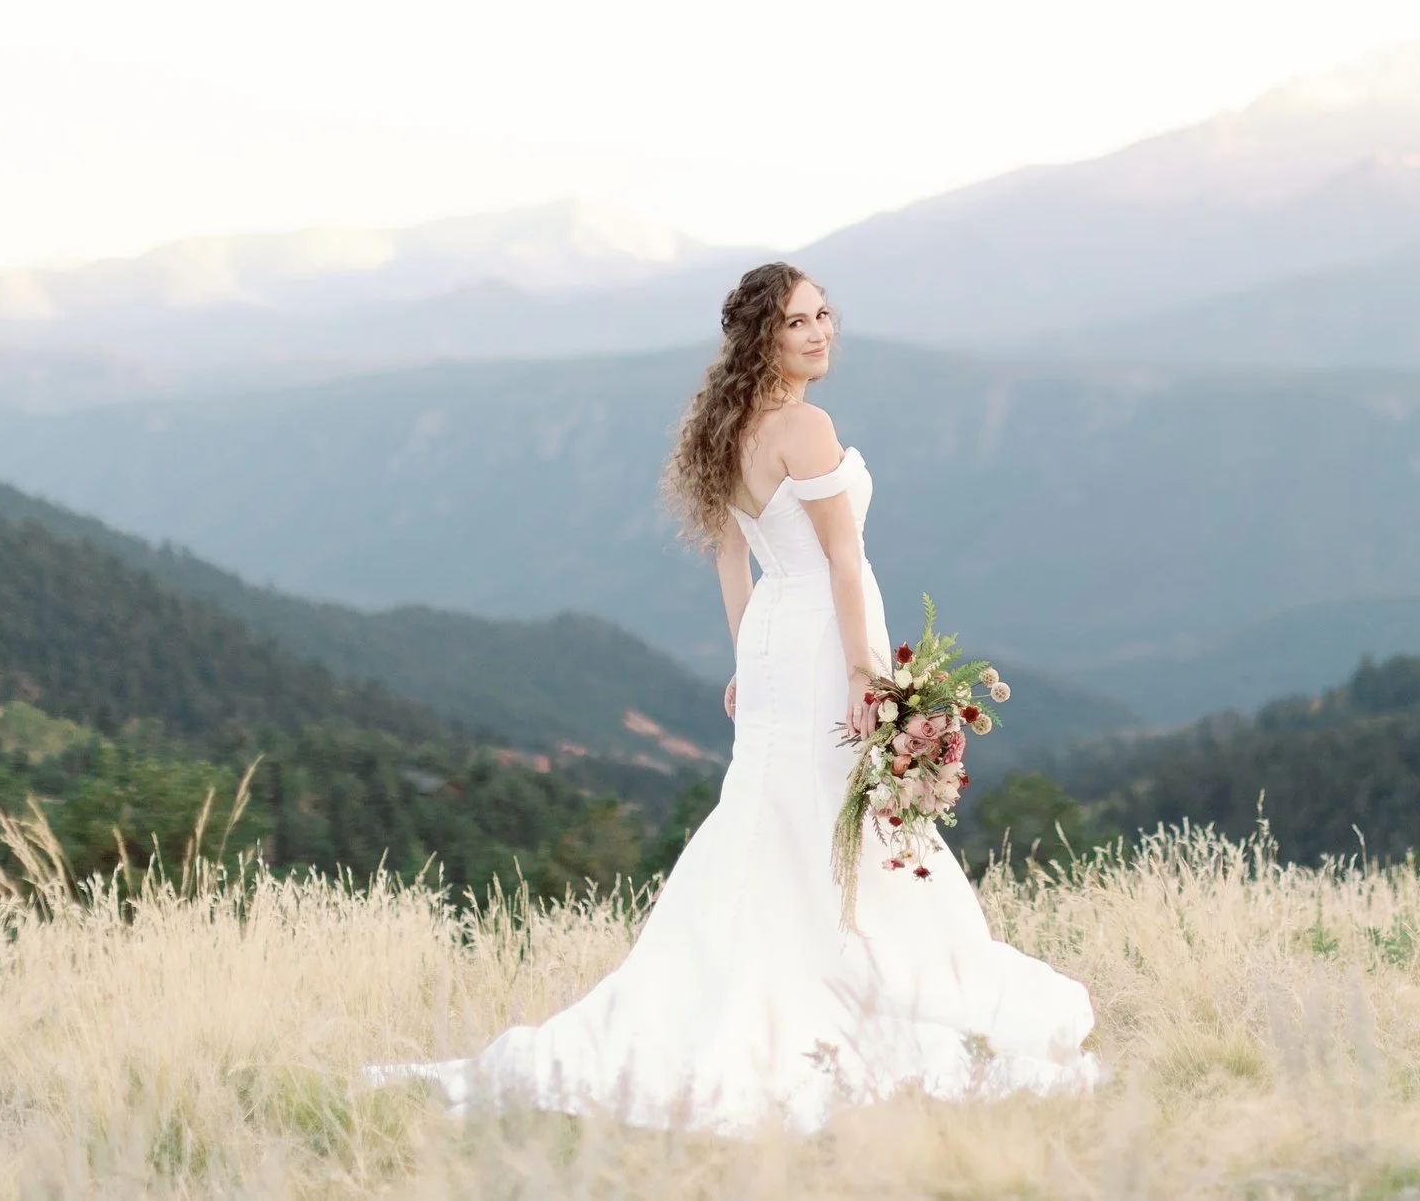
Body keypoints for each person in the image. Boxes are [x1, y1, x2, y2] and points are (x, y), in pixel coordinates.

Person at [375, 262, 1103, 1133]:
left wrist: (745, 658)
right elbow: (840, 560)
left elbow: (734, 558)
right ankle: (854, 994)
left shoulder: (728, 427)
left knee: (776, 814)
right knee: (836, 814)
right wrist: (869, 676)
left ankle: (745, 980)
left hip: (771, 645)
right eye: (799, 321)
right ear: (764, 334)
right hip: (823, 644)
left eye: (825, 314)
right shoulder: (804, 424)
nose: (820, 331)